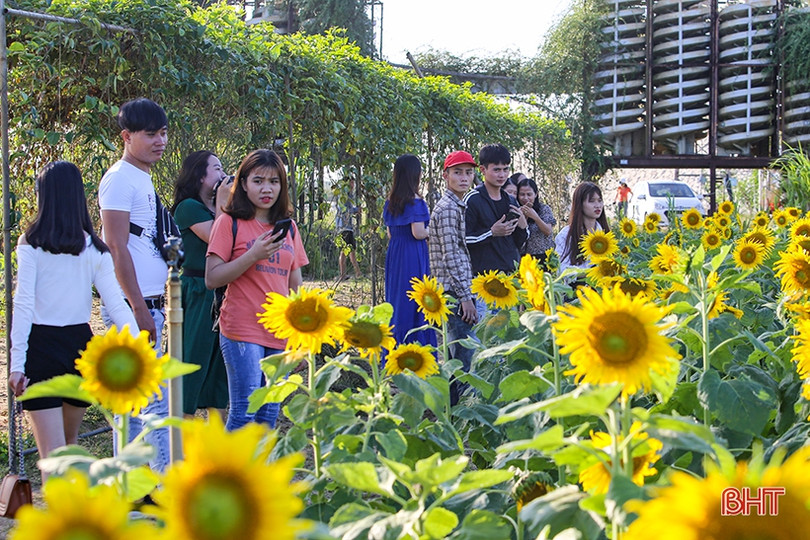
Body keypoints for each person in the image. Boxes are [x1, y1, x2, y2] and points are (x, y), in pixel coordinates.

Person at [10, 162, 138, 481]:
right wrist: (139, 348)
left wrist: (16, 363)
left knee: (55, 459)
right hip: (80, 349)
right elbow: (117, 306)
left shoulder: (31, 243)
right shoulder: (94, 247)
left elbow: (23, 304)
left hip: (40, 348)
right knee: (68, 449)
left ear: (45, 196)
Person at [205, 149, 308, 431]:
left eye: (274, 182)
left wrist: (298, 339)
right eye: (258, 181)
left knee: (268, 414)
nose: (267, 189)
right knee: (244, 411)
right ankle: (229, 473)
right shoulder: (229, 222)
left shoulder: (289, 229)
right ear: (244, 183)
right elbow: (212, 278)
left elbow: (295, 287)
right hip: (241, 328)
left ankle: (258, 474)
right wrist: (253, 255)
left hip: (277, 334)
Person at [98, 97, 170, 472]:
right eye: (149, 134)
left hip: (151, 304)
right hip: (135, 306)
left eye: (163, 133)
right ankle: (152, 483)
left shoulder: (141, 177)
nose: (160, 141)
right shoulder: (118, 179)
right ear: (126, 136)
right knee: (144, 399)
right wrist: (138, 308)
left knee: (144, 399)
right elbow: (115, 245)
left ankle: (140, 482)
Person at [171, 150, 230, 420]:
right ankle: (182, 437)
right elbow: (217, 237)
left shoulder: (220, 209)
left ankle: (218, 438)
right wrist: (221, 201)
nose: (222, 173)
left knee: (220, 365)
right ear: (200, 175)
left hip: (222, 291)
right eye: (216, 169)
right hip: (196, 290)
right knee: (193, 360)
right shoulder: (188, 208)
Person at [428, 151, 479, 405]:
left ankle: (453, 409)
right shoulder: (448, 208)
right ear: (445, 176)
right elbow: (451, 255)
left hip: (452, 290)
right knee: (462, 356)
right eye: (457, 172)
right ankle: (459, 412)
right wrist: (465, 296)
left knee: (455, 352)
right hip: (453, 292)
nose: (464, 178)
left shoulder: (456, 205)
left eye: (468, 172)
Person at [464, 144, 528, 315]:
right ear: (483, 170)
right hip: (484, 283)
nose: (502, 175)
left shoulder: (511, 200)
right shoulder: (472, 200)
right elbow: (462, 240)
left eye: (506, 169)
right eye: (497, 170)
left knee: (509, 337)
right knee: (484, 336)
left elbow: (518, 242)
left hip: (509, 281)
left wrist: (522, 226)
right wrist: (491, 232)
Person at [383, 154, 437, 348]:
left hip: (396, 253)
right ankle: (416, 344)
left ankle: (395, 346)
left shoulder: (390, 202)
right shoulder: (416, 203)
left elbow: (390, 233)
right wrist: (433, 231)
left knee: (397, 299)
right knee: (415, 298)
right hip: (412, 255)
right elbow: (418, 233)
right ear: (416, 175)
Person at [555, 181, 609, 277]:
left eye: (600, 200)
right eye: (592, 201)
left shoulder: (605, 234)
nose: (598, 205)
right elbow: (560, 269)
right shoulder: (566, 235)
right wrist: (588, 273)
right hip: (574, 289)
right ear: (580, 204)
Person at [518, 177, 556, 269]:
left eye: (529, 194)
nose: (525, 198)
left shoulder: (544, 209)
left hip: (544, 257)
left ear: (536, 194)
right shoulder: (516, 210)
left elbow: (548, 231)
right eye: (522, 194)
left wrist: (535, 217)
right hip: (523, 258)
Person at [335, 179, 362, 280]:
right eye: (351, 182)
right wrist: (355, 210)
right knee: (344, 251)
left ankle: (357, 272)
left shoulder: (350, 195)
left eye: (353, 182)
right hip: (344, 227)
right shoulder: (344, 195)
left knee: (352, 250)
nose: (353, 185)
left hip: (348, 227)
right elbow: (345, 210)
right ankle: (343, 275)